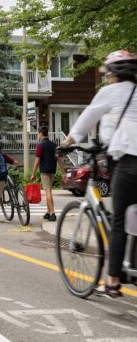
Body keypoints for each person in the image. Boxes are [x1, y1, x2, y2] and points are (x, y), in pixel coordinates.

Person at [62, 50, 137, 298]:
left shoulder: (110, 92)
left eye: (106, 74)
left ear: (113, 74)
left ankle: (113, 280)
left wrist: (68, 142)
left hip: (127, 162)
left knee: (119, 222)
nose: (105, 78)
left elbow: (86, 120)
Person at [30, 126, 63, 222]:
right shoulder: (54, 145)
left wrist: (33, 174)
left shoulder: (40, 145)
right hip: (53, 170)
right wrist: (63, 172)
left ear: (40, 134)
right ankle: (48, 212)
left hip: (44, 171)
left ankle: (52, 213)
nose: (38, 135)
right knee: (49, 191)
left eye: (38, 133)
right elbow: (59, 159)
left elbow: (37, 161)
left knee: (48, 191)